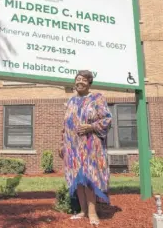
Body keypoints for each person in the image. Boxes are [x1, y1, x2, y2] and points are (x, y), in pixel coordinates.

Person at [59, 70, 112, 226]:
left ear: (89, 82)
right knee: (78, 179)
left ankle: (92, 212)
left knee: (89, 178)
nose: (79, 82)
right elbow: (65, 125)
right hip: (73, 147)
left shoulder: (97, 98)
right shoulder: (70, 102)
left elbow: (107, 119)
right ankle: (83, 211)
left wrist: (91, 126)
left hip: (91, 146)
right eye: (77, 79)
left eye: (83, 79)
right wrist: (62, 143)